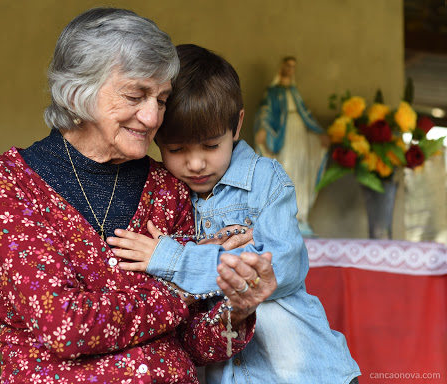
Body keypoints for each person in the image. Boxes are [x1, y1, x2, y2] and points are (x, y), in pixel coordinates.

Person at [0, 9, 277, 384]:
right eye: (135, 95)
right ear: (77, 90)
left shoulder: (168, 188)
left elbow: (193, 344)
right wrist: (184, 292)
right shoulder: (6, 181)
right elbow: (64, 325)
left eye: (161, 100)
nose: (152, 118)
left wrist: (238, 306)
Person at [108, 44, 361, 384]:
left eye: (211, 146)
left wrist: (176, 260)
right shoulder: (164, 193)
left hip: (301, 370)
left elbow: (280, 267)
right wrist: (237, 255)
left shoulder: (265, 180)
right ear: (155, 135)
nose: (195, 163)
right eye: (176, 149)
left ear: (237, 125)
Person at [253, 56, 329, 236]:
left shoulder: (294, 92)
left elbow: (306, 114)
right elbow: (265, 111)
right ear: (281, 67)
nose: (290, 69)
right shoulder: (273, 91)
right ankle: (284, 215)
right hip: (283, 138)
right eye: (288, 65)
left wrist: (319, 134)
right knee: (286, 171)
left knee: (300, 173)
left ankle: (300, 215)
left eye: (293, 67)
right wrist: (263, 129)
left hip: (300, 134)